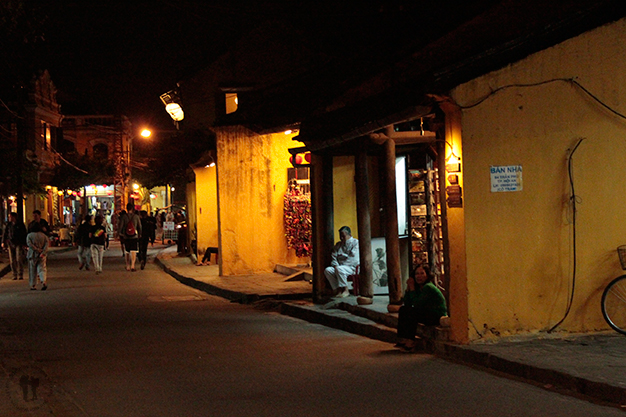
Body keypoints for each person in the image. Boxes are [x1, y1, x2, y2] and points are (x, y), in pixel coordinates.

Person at [395, 264, 448, 352]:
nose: (419, 276)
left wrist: (412, 289)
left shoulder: (428, 287)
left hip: (435, 315)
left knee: (413, 313)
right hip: (426, 312)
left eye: (422, 274)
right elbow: (408, 303)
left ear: (427, 275)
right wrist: (408, 289)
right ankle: (403, 338)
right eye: (417, 274)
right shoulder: (419, 288)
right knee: (403, 309)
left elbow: (417, 304)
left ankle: (411, 341)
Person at [324, 226, 359, 298]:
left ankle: (345, 289)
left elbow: (353, 258)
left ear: (349, 235)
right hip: (340, 267)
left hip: (351, 267)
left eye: (343, 236)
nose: (342, 238)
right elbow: (334, 257)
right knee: (328, 270)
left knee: (339, 269)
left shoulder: (356, 243)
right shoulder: (338, 245)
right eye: (340, 236)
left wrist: (341, 261)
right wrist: (336, 265)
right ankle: (337, 289)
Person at [2, 212, 27, 280]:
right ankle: (14, 274)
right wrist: (3, 242)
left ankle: (20, 273)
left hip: (18, 243)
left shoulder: (20, 224)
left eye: (10, 217)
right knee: (12, 260)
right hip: (10, 243)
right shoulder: (8, 225)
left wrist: (24, 243)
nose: (9, 218)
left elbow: (24, 233)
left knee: (19, 259)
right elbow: (5, 233)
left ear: (14, 217)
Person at [117, 203, 142, 271]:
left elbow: (121, 226)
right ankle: (133, 265)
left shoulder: (124, 217)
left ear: (127, 208)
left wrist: (119, 233)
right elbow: (139, 226)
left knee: (127, 251)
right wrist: (139, 234)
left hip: (126, 236)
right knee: (133, 251)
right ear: (133, 209)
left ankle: (127, 265)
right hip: (134, 236)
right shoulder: (136, 216)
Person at [26, 222, 49, 291]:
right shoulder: (44, 236)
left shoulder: (29, 236)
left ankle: (33, 285)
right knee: (42, 268)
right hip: (42, 255)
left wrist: (36, 249)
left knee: (32, 270)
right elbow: (46, 245)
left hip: (32, 255)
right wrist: (43, 252)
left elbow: (29, 244)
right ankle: (43, 281)